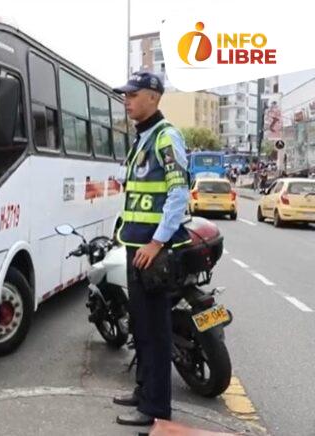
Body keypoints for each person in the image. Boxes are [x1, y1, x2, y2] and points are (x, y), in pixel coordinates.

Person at [111, 72, 192, 427]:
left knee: (155, 330)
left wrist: (157, 242)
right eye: (125, 94)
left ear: (154, 97)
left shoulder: (165, 137)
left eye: (133, 94)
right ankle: (143, 391)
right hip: (136, 246)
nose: (127, 100)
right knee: (141, 327)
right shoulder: (142, 138)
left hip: (152, 250)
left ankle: (156, 407)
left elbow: (178, 194)